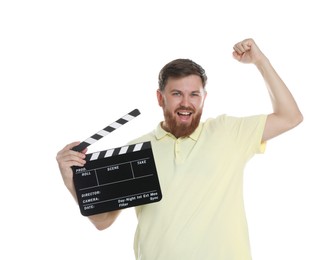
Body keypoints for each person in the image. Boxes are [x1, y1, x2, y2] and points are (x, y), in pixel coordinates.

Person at [56, 38, 303, 260]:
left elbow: (290, 117)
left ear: (204, 98)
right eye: (176, 94)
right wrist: (71, 182)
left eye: (194, 94)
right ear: (160, 98)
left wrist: (260, 61)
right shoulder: (135, 152)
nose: (186, 103)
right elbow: (103, 221)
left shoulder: (228, 132)